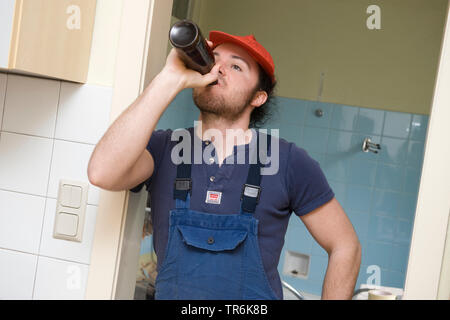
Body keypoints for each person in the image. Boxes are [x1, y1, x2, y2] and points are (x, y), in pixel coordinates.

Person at [88, 30, 361, 300]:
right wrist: (168, 79)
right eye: (214, 59)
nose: (219, 69)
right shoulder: (164, 148)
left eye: (236, 66)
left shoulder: (289, 161)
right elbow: (102, 173)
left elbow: (345, 245)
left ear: (258, 97)